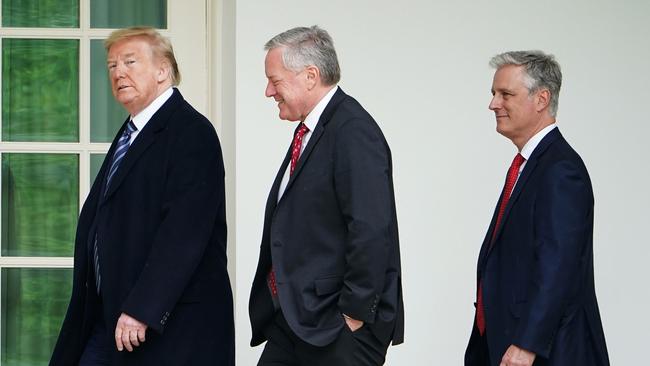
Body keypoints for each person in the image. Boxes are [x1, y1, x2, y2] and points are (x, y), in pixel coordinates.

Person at [50, 27, 234, 366]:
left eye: (130, 62)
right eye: (112, 65)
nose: (118, 72)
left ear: (163, 70)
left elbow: (183, 232)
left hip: (163, 325)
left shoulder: (192, 132)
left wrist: (142, 309)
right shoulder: (131, 131)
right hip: (109, 317)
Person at [249, 25, 404, 366]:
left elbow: (371, 227)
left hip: (337, 327)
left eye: (274, 81)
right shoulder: (312, 130)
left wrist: (353, 313)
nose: (268, 91)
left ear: (310, 76)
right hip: (295, 320)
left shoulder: (352, 130)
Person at [465, 50, 609, 366]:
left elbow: (558, 266)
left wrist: (526, 344)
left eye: (505, 94)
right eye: (493, 93)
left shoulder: (560, 169)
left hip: (543, 353)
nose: (493, 104)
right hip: (506, 344)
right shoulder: (529, 165)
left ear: (541, 99)